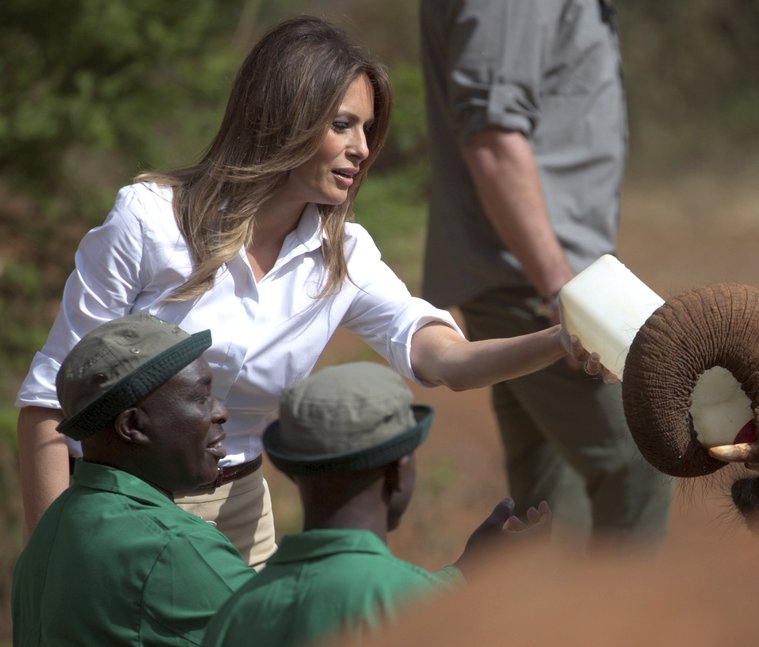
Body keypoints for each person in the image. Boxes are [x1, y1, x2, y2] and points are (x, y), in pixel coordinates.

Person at [15, 16, 589, 568]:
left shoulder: (346, 256)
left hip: (243, 514)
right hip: (123, 511)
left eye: (367, 129)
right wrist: (52, 562)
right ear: (281, 118)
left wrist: (559, 340)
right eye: (343, 124)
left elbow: (447, 362)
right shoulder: (149, 222)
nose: (363, 148)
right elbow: (49, 402)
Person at [419, 0, 675, 542]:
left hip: (532, 275)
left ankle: (546, 622)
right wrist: (561, 286)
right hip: (535, 280)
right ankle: (624, 627)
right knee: (641, 456)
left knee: (548, 503)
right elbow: (490, 136)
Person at [203, 362, 550, 647]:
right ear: (398, 471)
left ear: (295, 474)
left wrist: (468, 570)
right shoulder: (419, 609)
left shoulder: (237, 614)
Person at [12, 314, 255, 646]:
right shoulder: (173, 547)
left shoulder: (55, 525)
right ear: (133, 426)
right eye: (201, 398)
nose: (220, 412)